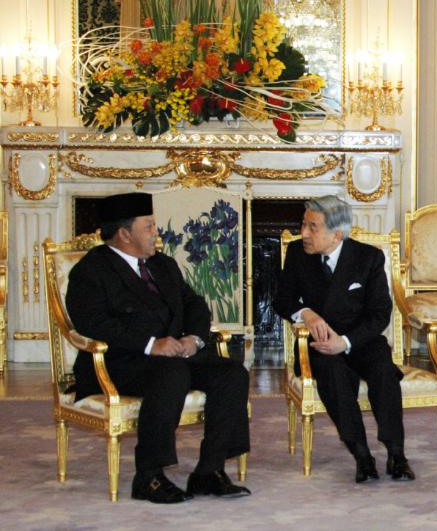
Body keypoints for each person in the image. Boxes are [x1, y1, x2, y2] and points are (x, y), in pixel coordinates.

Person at [65, 192, 251, 504]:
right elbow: (93, 323)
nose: (157, 232)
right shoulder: (91, 270)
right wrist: (151, 345)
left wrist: (194, 338)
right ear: (125, 234)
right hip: (119, 362)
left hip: (173, 356)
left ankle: (209, 470)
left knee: (231, 373)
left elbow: (195, 305)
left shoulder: (163, 265)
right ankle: (148, 476)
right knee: (172, 372)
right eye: (149, 226)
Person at [275, 195, 414, 483]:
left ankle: (396, 454)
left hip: (359, 340)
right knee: (334, 374)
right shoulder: (297, 255)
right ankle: (362, 455)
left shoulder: (368, 257)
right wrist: (306, 313)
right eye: (303, 225)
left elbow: (380, 314)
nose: (304, 234)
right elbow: (282, 299)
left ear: (337, 234)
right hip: (320, 346)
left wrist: (346, 342)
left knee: (385, 372)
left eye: (312, 228)